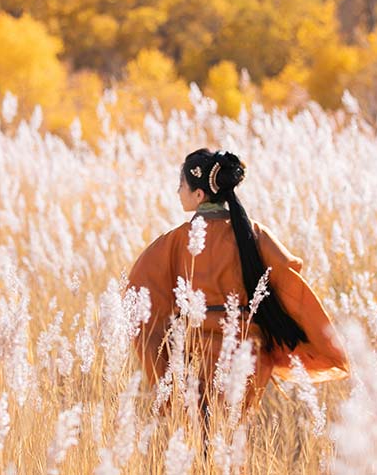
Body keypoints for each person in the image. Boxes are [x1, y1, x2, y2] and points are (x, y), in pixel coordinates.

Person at [126, 148, 350, 417]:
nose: (177, 192)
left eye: (181, 185)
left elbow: (139, 292)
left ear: (199, 195)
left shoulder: (175, 241)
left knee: (198, 441)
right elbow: (289, 275)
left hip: (197, 358)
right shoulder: (252, 233)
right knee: (232, 440)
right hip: (248, 358)